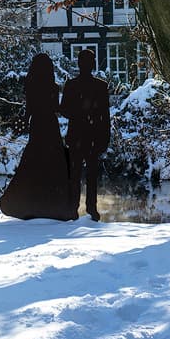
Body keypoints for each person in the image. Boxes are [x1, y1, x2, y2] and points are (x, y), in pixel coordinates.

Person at [0, 54, 77, 221]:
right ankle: (55, 202)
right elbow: (57, 108)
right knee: (54, 161)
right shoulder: (53, 87)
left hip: (38, 124)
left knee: (34, 159)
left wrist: (23, 123)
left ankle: (30, 201)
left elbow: (29, 110)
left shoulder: (31, 86)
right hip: (50, 124)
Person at [60, 49, 111, 221]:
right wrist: (82, 113)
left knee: (85, 175)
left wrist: (105, 137)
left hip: (88, 137)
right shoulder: (74, 85)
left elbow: (105, 115)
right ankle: (78, 208)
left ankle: (86, 208)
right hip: (82, 136)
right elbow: (64, 110)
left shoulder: (98, 86)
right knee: (79, 174)